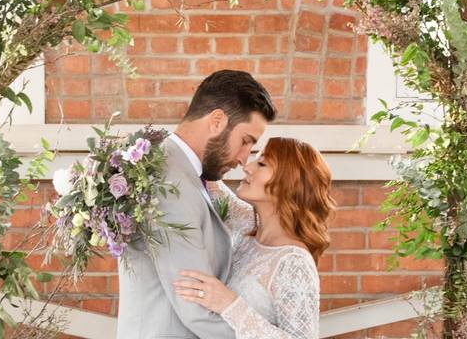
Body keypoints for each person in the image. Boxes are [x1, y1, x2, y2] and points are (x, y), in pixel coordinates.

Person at [116, 69, 276, 339]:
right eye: (245, 141)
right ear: (216, 121)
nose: (243, 159)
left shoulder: (179, 170)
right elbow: (197, 309)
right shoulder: (171, 184)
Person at [174, 137, 336, 339]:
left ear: (289, 181)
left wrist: (229, 304)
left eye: (262, 163)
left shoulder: (294, 262)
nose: (247, 167)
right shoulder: (247, 224)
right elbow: (211, 183)